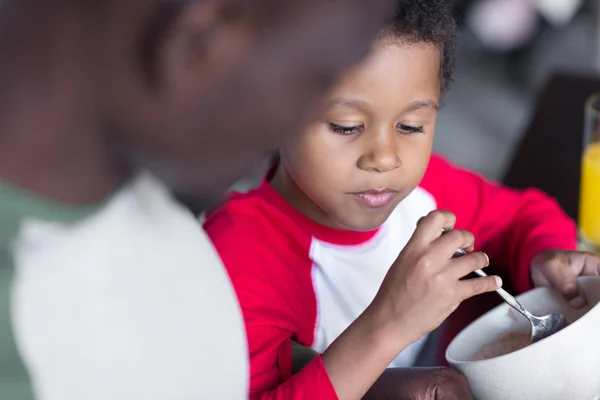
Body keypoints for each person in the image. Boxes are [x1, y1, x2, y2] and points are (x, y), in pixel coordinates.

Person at [0, 0, 397, 399]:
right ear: (198, 38)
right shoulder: (22, 363)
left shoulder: (111, 179)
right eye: (317, 78)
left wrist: (362, 380)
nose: (305, 121)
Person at [203, 0, 600, 399]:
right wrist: (388, 325)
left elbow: (520, 215)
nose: (385, 158)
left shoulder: (426, 193)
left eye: (410, 126)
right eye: (347, 127)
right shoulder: (240, 252)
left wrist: (548, 256)